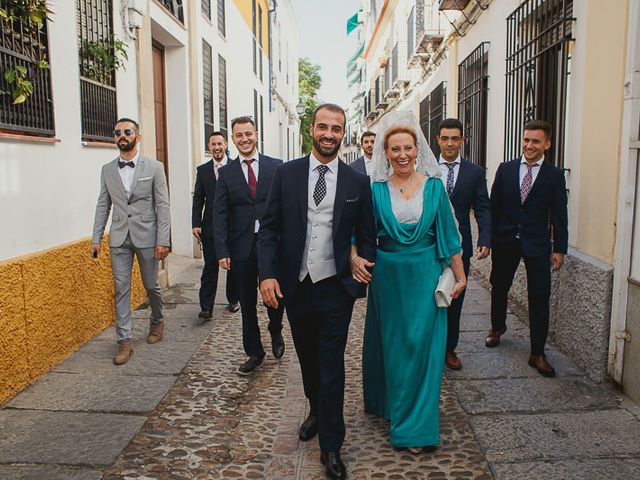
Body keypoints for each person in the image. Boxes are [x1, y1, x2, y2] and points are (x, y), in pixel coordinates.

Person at [258, 104, 376, 480]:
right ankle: (315, 409)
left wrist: (360, 262)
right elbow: (270, 229)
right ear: (312, 129)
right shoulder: (285, 174)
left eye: (336, 128)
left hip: (336, 287)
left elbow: (368, 234)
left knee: (332, 364)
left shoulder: (357, 181)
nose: (329, 134)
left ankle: (331, 444)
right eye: (323, 127)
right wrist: (267, 275)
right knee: (308, 358)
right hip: (297, 284)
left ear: (345, 133)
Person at [351, 111, 466, 454]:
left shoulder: (434, 188)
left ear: (418, 150)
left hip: (425, 276)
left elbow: (448, 236)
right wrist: (354, 257)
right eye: (394, 149)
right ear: (384, 153)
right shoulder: (374, 191)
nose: (402, 154)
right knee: (395, 349)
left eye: (407, 148)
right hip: (388, 279)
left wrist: (460, 277)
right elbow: (358, 233)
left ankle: (413, 427)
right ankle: (392, 405)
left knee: (423, 350)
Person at [486, 120, 568, 377]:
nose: (529, 145)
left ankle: (537, 353)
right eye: (526, 140)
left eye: (535, 141)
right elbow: (493, 206)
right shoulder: (506, 169)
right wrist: (488, 238)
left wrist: (560, 248)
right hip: (505, 240)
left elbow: (559, 214)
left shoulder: (554, 176)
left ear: (547, 144)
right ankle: (497, 328)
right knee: (499, 285)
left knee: (540, 296)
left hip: (537, 243)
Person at [91, 118, 170, 365]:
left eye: (127, 132)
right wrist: (96, 238)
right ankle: (124, 342)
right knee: (121, 288)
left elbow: (163, 205)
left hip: (147, 236)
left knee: (151, 285)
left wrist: (163, 239)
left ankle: (157, 320)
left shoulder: (154, 167)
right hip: (118, 238)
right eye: (117, 133)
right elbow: (103, 205)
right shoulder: (107, 170)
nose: (122, 136)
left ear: (137, 136)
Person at [214, 116, 285, 375]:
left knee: (276, 296)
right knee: (246, 302)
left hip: (272, 245)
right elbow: (219, 214)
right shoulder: (226, 173)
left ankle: (275, 328)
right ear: (233, 139)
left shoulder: (276, 167)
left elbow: (285, 207)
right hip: (240, 247)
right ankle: (254, 351)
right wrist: (222, 250)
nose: (244, 139)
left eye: (248, 133)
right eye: (239, 135)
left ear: (256, 135)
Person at [436, 118, 491, 370]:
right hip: (428, 245)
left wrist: (485, 237)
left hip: (460, 246)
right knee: (429, 297)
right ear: (437, 140)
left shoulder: (475, 172)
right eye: (445, 138)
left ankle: (449, 349)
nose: (449, 143)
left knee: (455, 297)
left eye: (454, 138)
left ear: (462, 140)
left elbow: (482, 206)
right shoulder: (425, 169)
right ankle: (430, 348)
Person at [192, 131, 240, 320]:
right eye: (213, 144)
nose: (217, 147)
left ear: (226, 145)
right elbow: (198, 199)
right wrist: (196, 223)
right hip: (210, 227)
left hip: (234, 227)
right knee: (210, 267)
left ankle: (233, 300)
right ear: (209, 147)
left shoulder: (236, 167)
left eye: (220, 143)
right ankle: (206, 307)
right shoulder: (203, 170)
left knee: (233, 267)